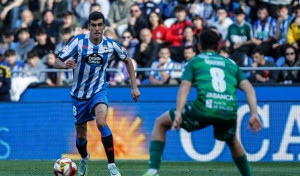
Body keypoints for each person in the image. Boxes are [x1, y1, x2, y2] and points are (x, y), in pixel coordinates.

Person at [142, 29, 263, 176]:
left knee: (160, 123)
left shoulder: (195, 61)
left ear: (199, 46)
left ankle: (153, 171)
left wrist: (179, 112)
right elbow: (250, 90)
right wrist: (254, 113)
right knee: (232, 140)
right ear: (219, 47)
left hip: (203, 108)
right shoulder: (231, 64)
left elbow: (184, 87)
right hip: (228, 110)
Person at [54, 11, 140, 176]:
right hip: (78, 95)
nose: (96, 28)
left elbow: (127, 60)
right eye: (93, 25)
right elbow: (57, 60)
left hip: (98, 91)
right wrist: (65, 65)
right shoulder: (78, 42)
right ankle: (85, 157)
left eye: (100, 25)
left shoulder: (110, 45)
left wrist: (134, 86)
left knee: (101, 122)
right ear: (89, 26)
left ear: (104, 26)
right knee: (81, 135)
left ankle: (112, 165)